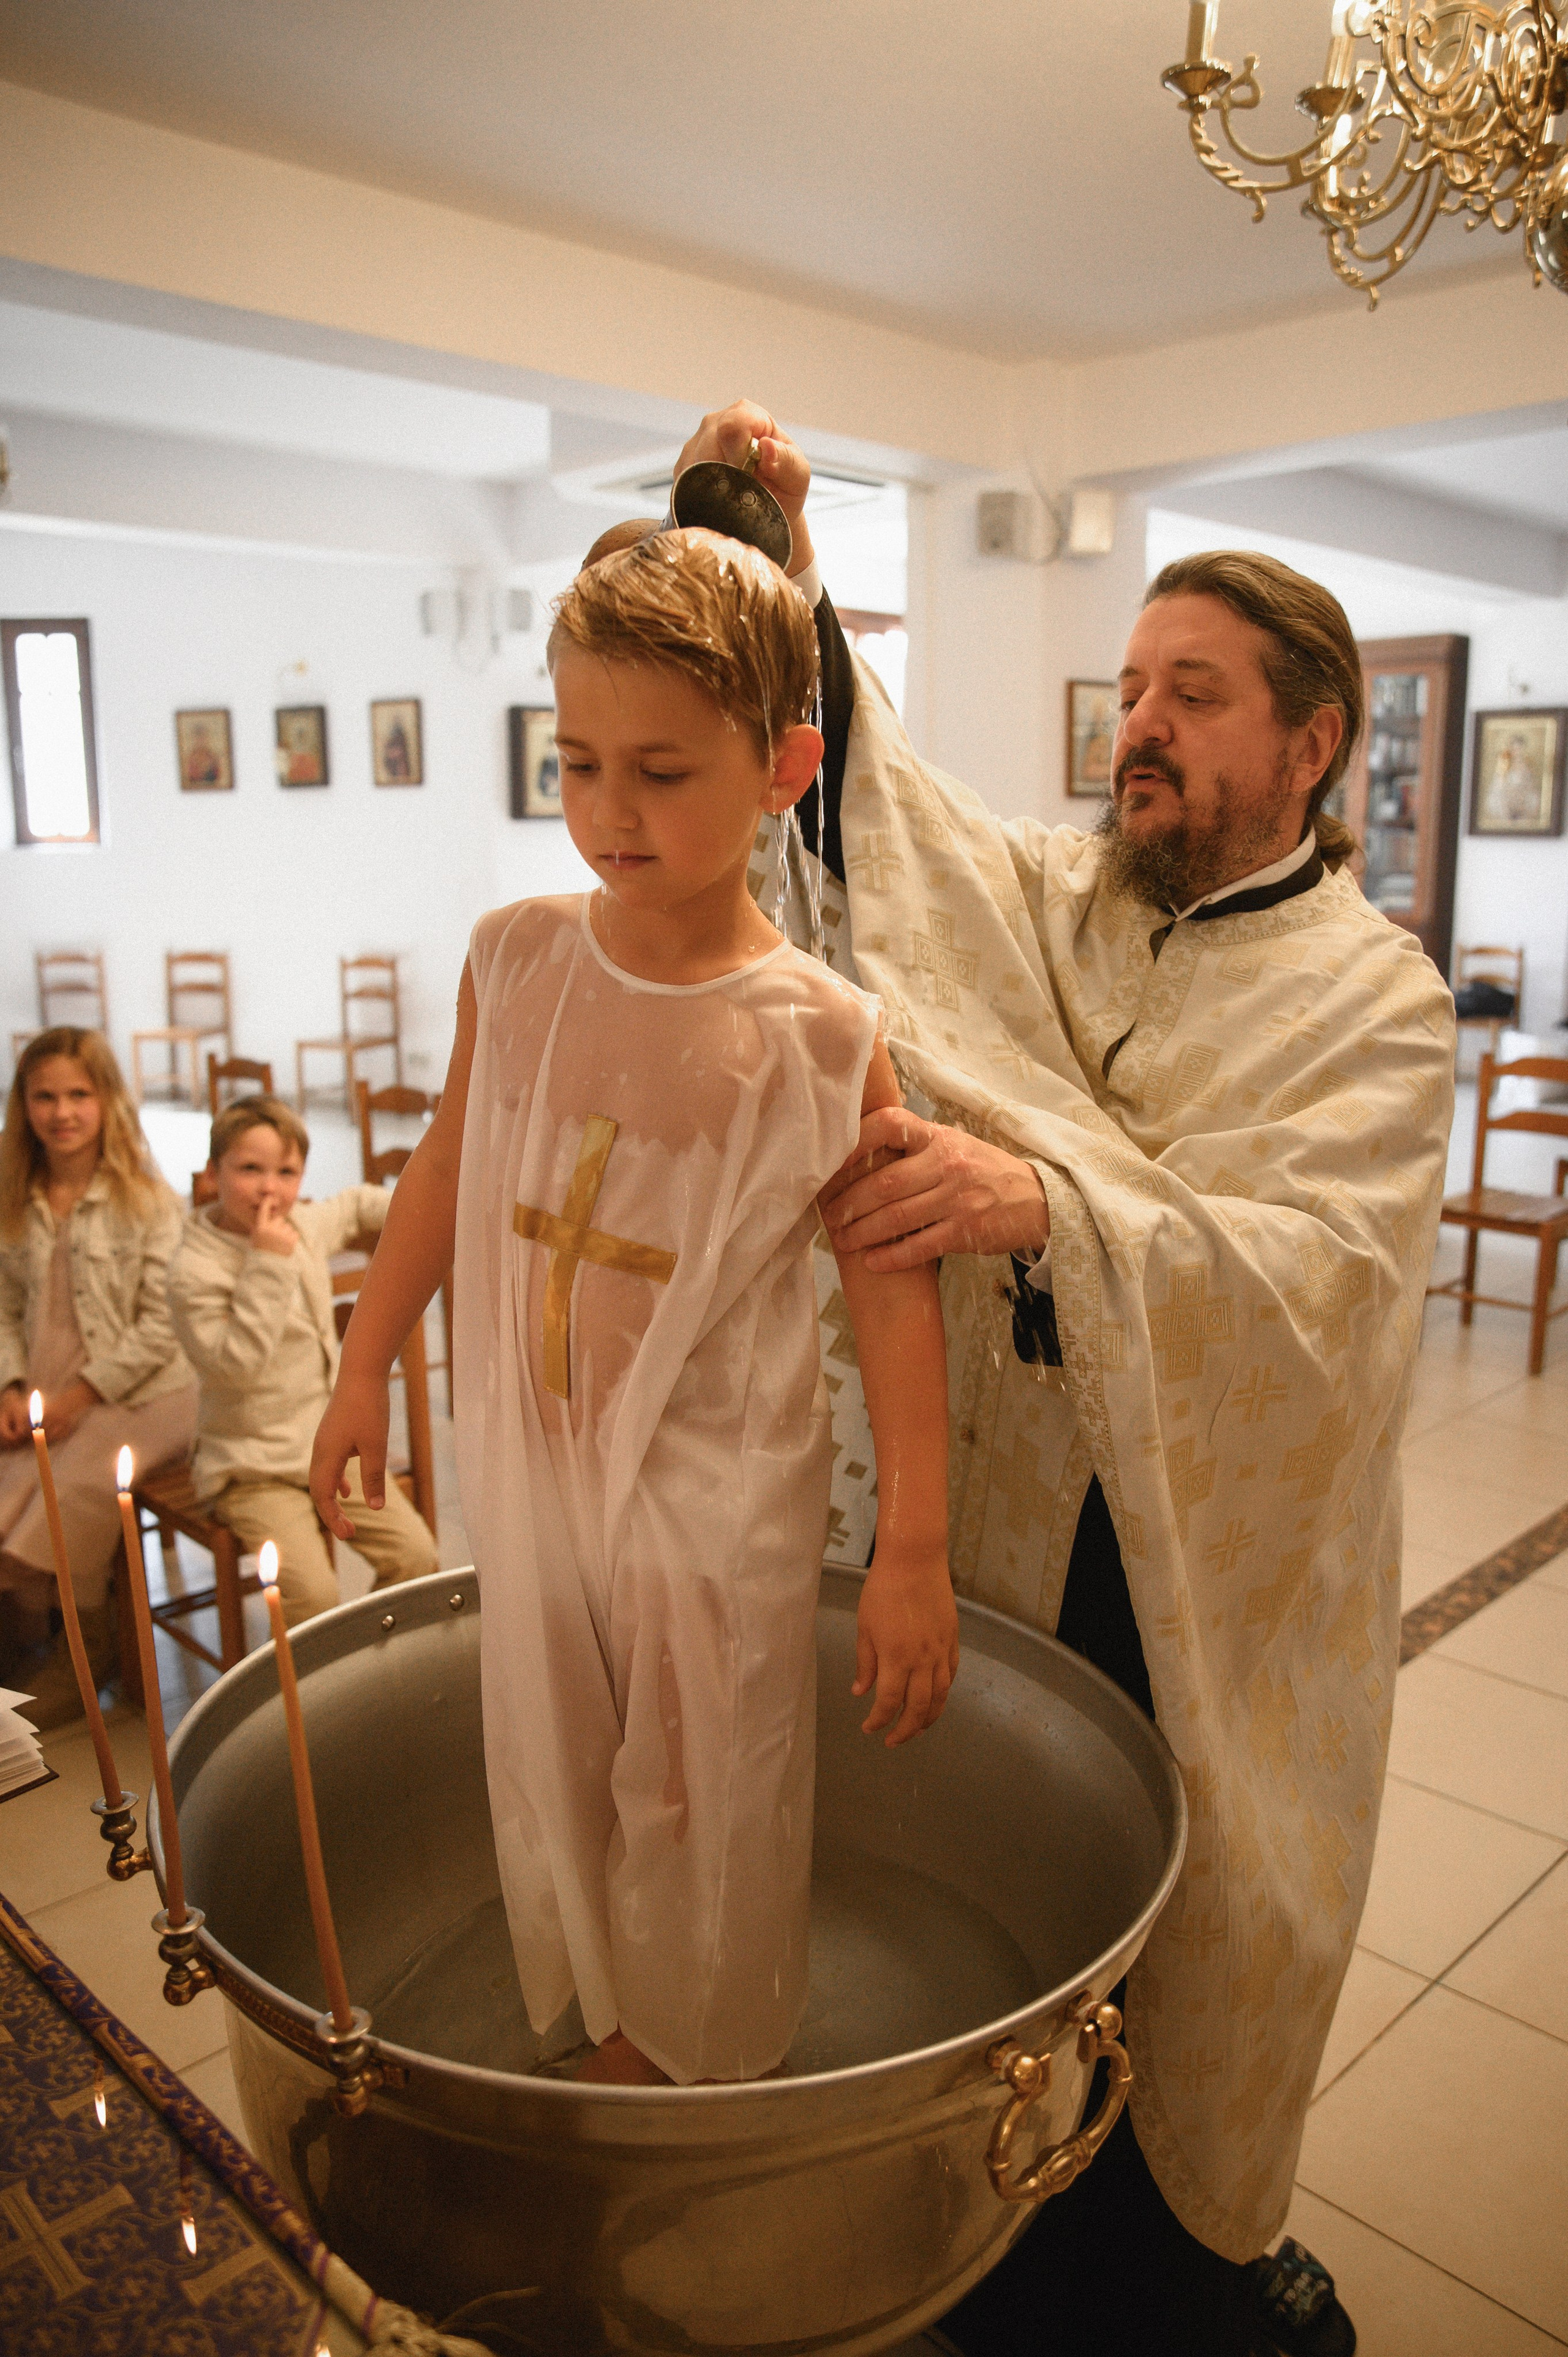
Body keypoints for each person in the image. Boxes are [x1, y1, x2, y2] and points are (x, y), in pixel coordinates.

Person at [669, 404, 1456, 2356]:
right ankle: (990, 2236)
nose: (1140, 727)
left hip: (1215, 1593)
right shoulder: (1059, 893)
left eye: (1194, 695)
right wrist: (779, 570)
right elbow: (894, 829)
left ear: (1312, 739)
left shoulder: (1378, 1000)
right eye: (1129, 692)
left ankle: (1169, 2271)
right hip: (1017, 1537)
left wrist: (1048, 1200)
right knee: (998, 1917)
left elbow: (1321, 1279)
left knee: (1195, 1959)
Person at [310, 527, 958, 2089]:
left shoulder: (816, 1033)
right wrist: (359, 1363)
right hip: (531, 1455)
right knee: (552, 1741)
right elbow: (446, 1167)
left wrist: (915, 1546)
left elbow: (888, 1294)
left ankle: (699, 2049)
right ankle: (607, 2003)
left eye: (662, 770)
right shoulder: (516, 960)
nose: (608, 810)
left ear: (784, 763)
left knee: (709, 1768)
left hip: (711, 1479)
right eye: (578, 759)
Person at [165, 1095, 437, 1629]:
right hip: (250, 1466)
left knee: (416, 1558)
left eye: (287, 1172)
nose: (271, 1188)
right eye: (250, 1169)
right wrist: (267, 1261)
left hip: (325, 1446)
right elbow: (235, 1367)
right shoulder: (193, 1267)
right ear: (211, 1173)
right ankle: (306, 1704)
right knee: (312, 1596)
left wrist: (434, 1205)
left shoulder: (304, 1223)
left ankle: (371, 1672)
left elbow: (357, 1205)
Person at [0, 1029, 196, 1725]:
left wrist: (84, 1395)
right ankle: (31, 1630)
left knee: (76, 1478)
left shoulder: (146, 1200)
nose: (62, 1112)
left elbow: (163, 1325)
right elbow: (6, 1307)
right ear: (21, 1105)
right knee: (15, 1462)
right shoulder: (16, 1198)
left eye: (79, 1094)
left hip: (151, 1387)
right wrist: (13, 1385)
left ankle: (90, 1647)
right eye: (44, 1095)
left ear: (108, 1101)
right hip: (50, 1374)